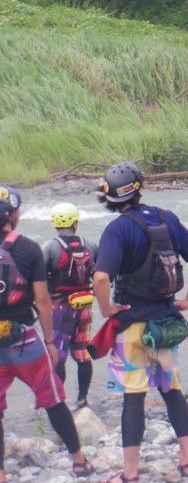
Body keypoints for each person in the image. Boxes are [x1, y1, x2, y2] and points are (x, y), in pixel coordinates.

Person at [93, 162, 188, 483]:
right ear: (139, 188)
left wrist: (106, 308)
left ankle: (130, 472)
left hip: (131, 327)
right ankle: (187, 460)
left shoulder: (116, 230)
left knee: (134, 396)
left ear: (111, 197)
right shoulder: (165, 218)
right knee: (172, 390)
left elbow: (101, 277)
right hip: (166, 326)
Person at [0, 187, 94, 480]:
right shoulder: (28, 248)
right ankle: (78, 461)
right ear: (14, 215)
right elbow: (42, 300)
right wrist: (50, 342)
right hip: (25, 340)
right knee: (53, 400)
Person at [42, 202, 99, 409]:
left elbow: (38, 278)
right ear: (75, 222)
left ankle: (59, 401)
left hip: (59, 307)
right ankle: (83, 399)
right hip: (84, 306)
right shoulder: (90, 244)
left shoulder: (50, 247)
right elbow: (101, 275)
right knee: (82, 354)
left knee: (58, 355)